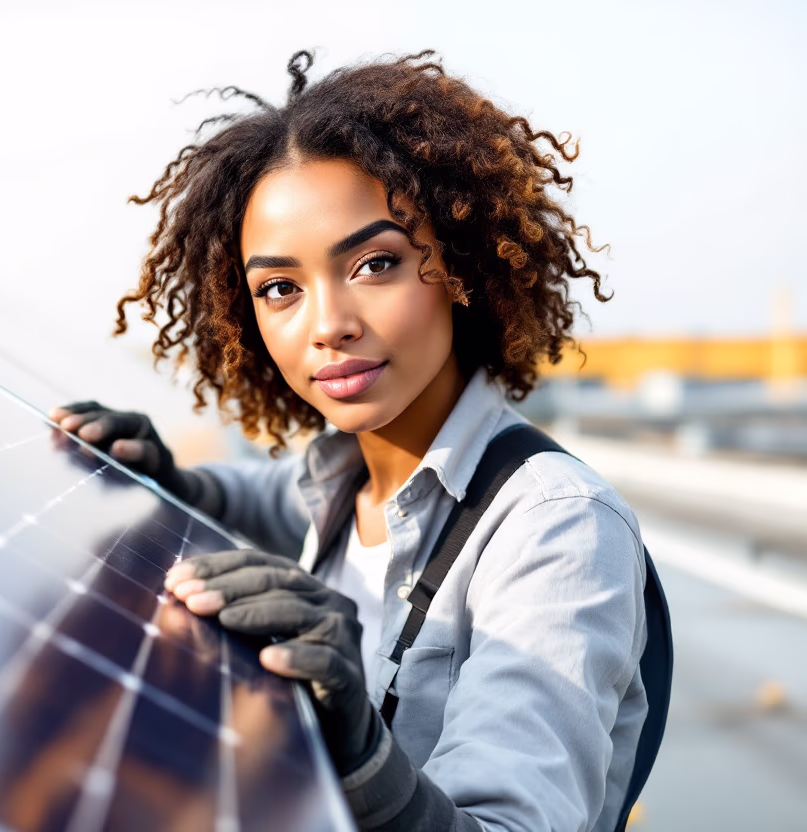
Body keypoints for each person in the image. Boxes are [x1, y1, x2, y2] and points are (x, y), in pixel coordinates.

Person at [50, 50, 648, 832]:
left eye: (375, 263)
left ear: (459, 265)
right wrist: (173, 480)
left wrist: (363, 752)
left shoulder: (555, 528)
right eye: (280, 288)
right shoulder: (339, 478)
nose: (329, 324)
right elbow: (259, 497)